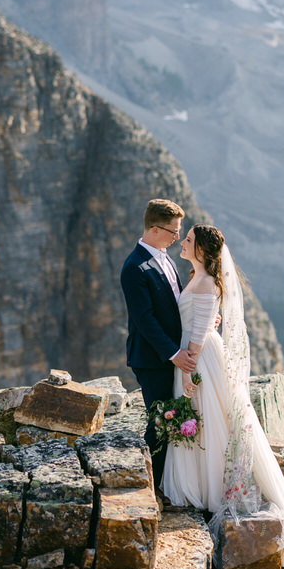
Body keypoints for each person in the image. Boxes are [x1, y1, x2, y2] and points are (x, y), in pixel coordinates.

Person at [160, 223, 284, 567]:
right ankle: (200, 485)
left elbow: (198, 331)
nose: (182, 243)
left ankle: (208, 489)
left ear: (201, 250)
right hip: (195, 353)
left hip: (198, 359)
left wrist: (188, 369)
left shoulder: (207, 282)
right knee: (205, 420)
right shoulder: (199, 277)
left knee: (210, 419)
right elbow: (202, 320)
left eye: (188, 240)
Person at [120, 198, 195, 485]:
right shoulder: (134, 267)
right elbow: (145, 320)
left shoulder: (164, 257)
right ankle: (151, 486)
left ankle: (167, 482)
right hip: (153, 359)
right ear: (154, 229)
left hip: (171, 354)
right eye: (173, 232)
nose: (177, 238)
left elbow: (176, 304)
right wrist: (173, 353)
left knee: (171, 418)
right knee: (161, 421)